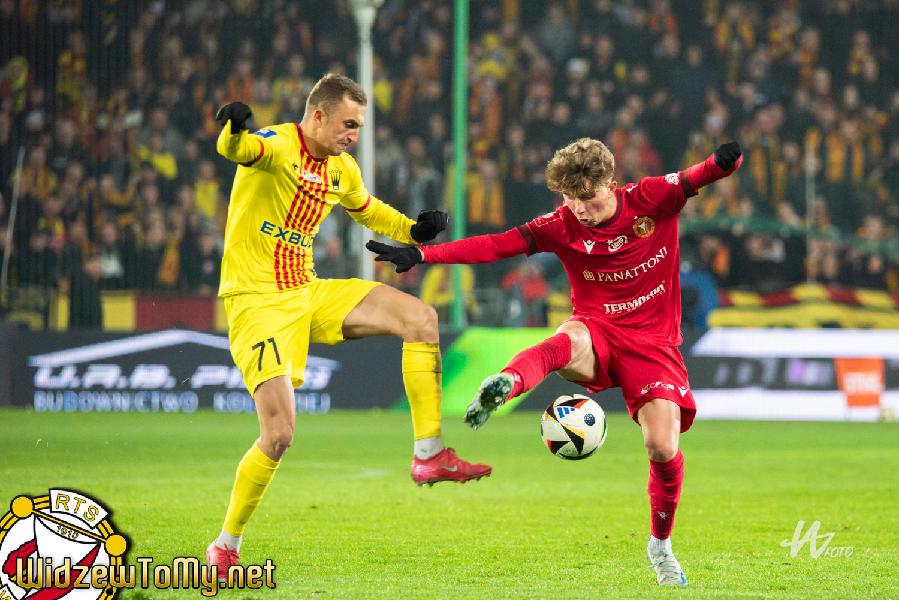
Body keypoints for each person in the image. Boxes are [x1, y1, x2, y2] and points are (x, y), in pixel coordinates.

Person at [367, 138, 743, 587]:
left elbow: (702, 173)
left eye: (587, 197)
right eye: (569, 198)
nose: (579, 209)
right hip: (597, 331)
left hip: (653, 346)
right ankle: (506, 382)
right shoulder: (561, 224)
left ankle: (660, 546)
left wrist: (724, 161)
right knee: (568, 339)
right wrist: (423, 254)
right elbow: (497, 245)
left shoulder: (650, 198)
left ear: (611, 184)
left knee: (662, 448)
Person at [206, 73, 491, 573]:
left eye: (359, 126)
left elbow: (370, 210)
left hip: (308, 291)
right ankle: (226, 545)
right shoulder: (278, 145)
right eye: (349, 124)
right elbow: (239, 150)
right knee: (279, 435)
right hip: (257, 301)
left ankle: (428, 454)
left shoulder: (342, 169)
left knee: (420, 318)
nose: (354, 134)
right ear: (317, 115)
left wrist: (414, 230)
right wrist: (232, 129)